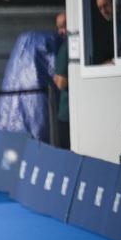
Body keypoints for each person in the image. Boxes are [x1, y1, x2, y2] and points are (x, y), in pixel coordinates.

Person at [52, 12, 70, 149]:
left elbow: (60, 83)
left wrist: (57, 77)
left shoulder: (66, 48)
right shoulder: (63, 47)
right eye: (59, 27)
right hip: (65, 112)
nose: (61, 31)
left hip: (67, 114)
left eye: (64, 26)